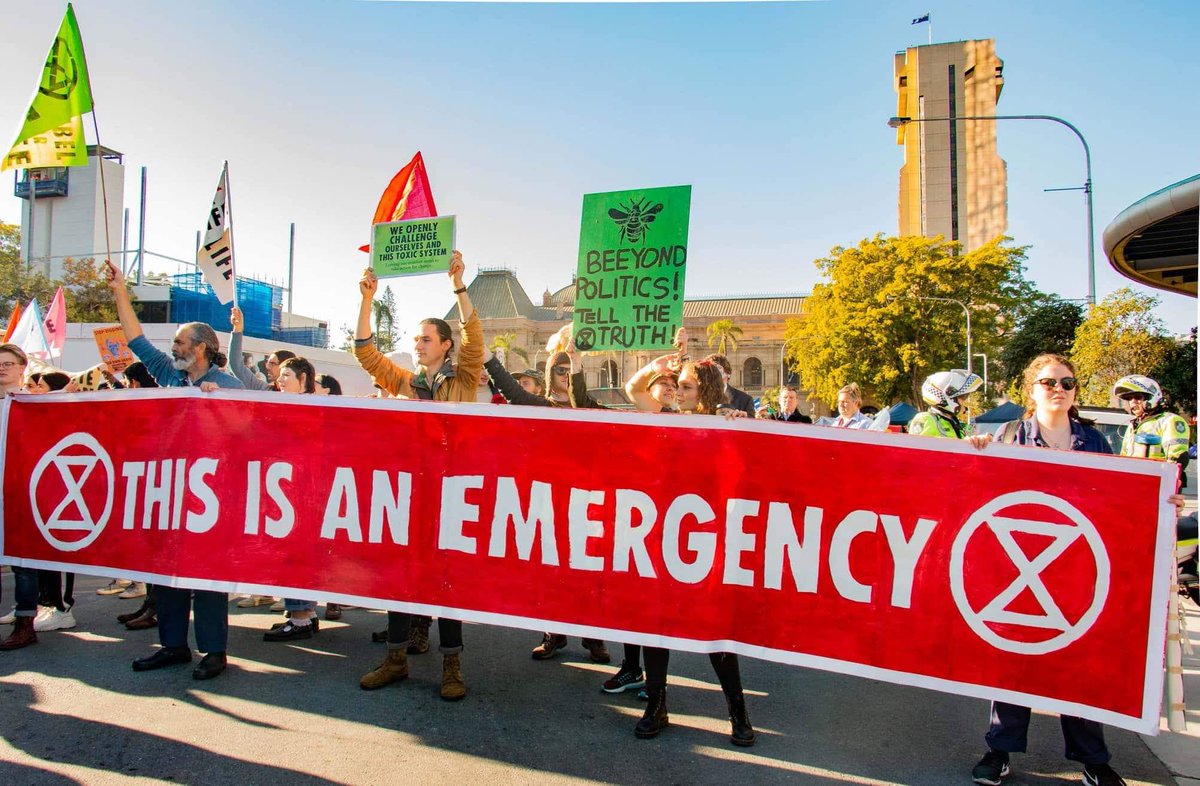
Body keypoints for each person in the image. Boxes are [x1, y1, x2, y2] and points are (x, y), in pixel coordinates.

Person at [965, 353, 1183, 786]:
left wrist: (1162, 503)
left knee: (1079, 663)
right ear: (1031, 390)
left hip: (1078, 566)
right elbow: (978, 494)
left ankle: (1092, 759)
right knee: (1014, 661)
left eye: (1067, 383)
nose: (1059, 390)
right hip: (1020, 564)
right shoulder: (1009, 435)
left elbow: (1121, 498)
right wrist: (975, 456)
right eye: (1049, 382)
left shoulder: (1094, 441)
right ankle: (1000, 750)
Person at [104, 259, 242, 680]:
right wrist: (119, 293)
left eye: (181, 342)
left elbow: (249, 438)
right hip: (167, 493)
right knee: (164, 573)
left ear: (201, 347)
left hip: (210, 497)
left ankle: (214, 652)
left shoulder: (230, 384)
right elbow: (136, 339)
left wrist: (222, 406)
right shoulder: (167, 374)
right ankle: (173, 645)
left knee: (207, 577)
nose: (174, 348)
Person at [354, 250, 480, 701]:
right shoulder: (408, 384)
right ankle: (396, 659)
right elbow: (366, 354)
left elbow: (475, 335)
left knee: (445, 581)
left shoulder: (463, 379)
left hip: (451, 492)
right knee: (400, 576)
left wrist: (459, 285)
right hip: (411, 491)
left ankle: (452, 665)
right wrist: (367, 299)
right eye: (416, 338)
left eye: (427, 338)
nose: (420, 344)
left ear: (445, 344)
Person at [620, 356, 756, 747]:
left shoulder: (726, 424)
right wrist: (656, 365)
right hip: (664, 535)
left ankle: (739, 713)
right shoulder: (666, 417)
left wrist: (742, 428)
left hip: (707, 542)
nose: (678, 393)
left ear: (707, 392)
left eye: (687, 387)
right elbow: (633, 390)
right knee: (656, 625)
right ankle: (657, 706)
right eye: (677, 386)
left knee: (715, 632)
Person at [484, 346, 610, 664]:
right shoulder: (541, 406)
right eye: (560, 369)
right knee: (552, 572)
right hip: (550, 502)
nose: (566, 375)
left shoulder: (591, 406)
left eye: (571, 371)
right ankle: (553, 635)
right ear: (550, 373)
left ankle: (594, 638)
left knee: (587, 573)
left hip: (588, 502)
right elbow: (511, 391)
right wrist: (488, 358)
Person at [259, 357, 325, 640]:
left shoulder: (313, 409)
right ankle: (306, 615)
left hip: (300, 495)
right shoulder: (281, 404)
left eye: (287, 374)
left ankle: (299, 619)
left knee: (295, 556)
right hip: (285, 492)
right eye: (280, 374)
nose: (280, 379)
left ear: (303, 380)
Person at [0, 344, 45, 651]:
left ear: (21, 367)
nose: (1, 368)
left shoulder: (35, 405)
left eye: (7, 363)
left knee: (23, 562)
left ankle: (25, 623)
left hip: (21, 492)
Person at [1112, 375, 1190, 487]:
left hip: (1157, 486)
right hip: (1132, 484)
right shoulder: (1132, 425)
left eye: (1138, 397)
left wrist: (1167, 484)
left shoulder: (1169, 420)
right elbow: (1124, 457)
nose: (1133, 402)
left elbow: (1178, 458)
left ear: (1152, 397)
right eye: (1129, 399)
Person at [227, 306, 295, 392]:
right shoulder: (264, 391)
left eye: (272, 364)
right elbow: (236, 365)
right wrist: (237, 329)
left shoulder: (306, 397)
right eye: (268, 363)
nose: (268, 367)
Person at [907, 369, 981, 439]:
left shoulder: (958, 423)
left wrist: (983, 439)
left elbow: (975, 443)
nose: (965, 401)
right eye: (963, 397)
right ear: (948, 397)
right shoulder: (925, 418)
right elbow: (916, 448)